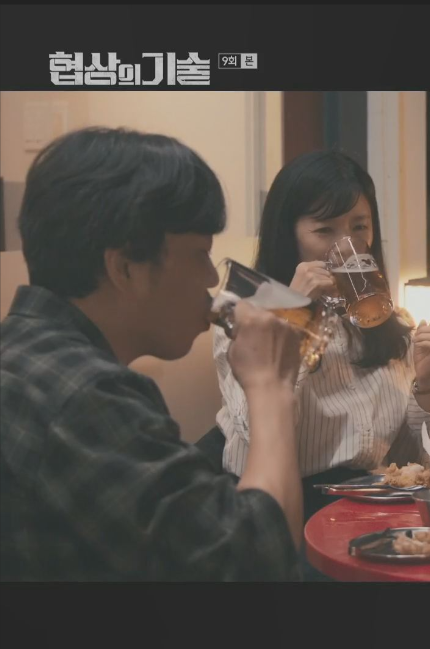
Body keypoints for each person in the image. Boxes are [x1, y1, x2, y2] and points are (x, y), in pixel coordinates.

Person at [1, 127, 305, 580]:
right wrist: (269, 385)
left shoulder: (23, 351)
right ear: (125, 267)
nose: (211, 279)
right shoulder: (86, 396)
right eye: (200, 253)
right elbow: (255, 563)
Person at [212, 150, 430, 523]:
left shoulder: (393, 323)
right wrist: (293, 311)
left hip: (369, 504)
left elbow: (414, 462)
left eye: (360, 227)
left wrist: (425, 381)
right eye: (325, 230)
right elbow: (252, 431)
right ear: (287, 235)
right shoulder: (243, 313)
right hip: (279, 506)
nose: (347, 245)